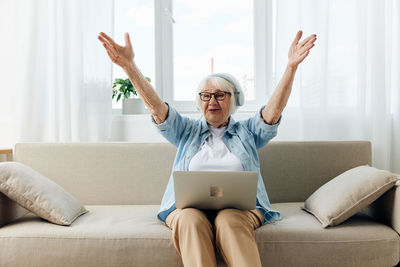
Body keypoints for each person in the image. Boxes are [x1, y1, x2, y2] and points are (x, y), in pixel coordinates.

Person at [98, 30, 316, 267]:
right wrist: (129, 66)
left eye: (220, 95)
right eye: (206, 95)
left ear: (232, 100)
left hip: (240, 210)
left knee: (229, 220)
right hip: (188, 210)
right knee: (190, 219)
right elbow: (157, 109)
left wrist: (291, 67)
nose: (212, 101)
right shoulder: (185, 130)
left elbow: (273, 112)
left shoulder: (248, 132)